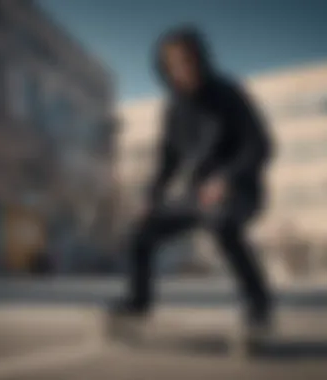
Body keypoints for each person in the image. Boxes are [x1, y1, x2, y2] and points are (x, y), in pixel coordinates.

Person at [109, 26, 274, 338]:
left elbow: (260, 146)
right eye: (175, 65)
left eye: (189, 61)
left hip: (239, 188)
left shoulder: (228, 95)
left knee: (222, 223)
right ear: (166, 70)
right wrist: (150, 197)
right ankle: (138, 303)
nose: (184, 70)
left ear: (201, 60)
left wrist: (226, 178)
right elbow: (167, 162)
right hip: (198, 195)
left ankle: (258, 306)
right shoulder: (173, 110)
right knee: (139, 234)